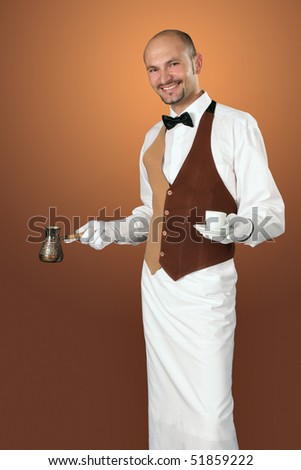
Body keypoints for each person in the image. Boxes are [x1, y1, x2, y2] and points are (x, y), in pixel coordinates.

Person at [66, 30, 285, 449]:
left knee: (208, 412)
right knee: (164, 409)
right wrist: (110, 231)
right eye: (153, 68)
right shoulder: (152, 138)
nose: (163, 76)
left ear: (196, 63)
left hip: (205, 288)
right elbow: (152, 215)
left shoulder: (238, 125)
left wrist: (240, 227)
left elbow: (272, 216)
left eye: (173, 64)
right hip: (156, 288)